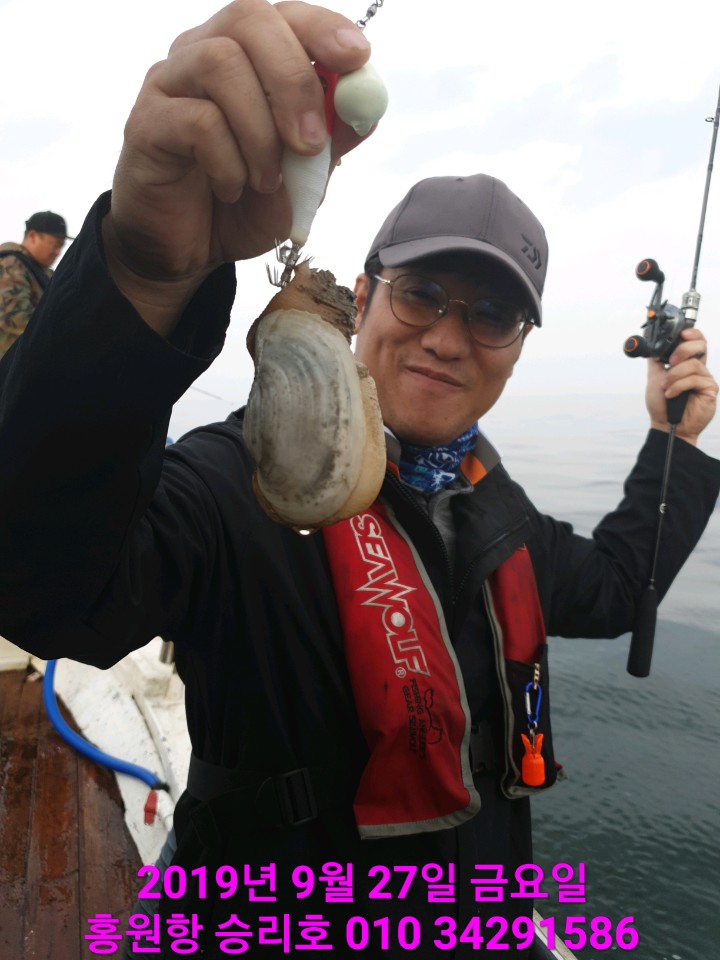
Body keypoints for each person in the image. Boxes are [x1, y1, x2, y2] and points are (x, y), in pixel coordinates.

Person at [0, 2, 718, 957]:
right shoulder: (236, 483)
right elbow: (48, 587)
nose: (449, 339)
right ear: (367, 294)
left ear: (517, 347)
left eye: (492, 316)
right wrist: (140, 276)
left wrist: (675, 443)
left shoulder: (498, 514)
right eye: (423, 294)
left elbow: (622, 587)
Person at [0, 210, 72, 359]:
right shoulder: (11, 265)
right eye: (56, 244)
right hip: (11, 364)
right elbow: (14, 321)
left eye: (61, 246)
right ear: (32, 236)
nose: (58, 252)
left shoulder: (44, 274)